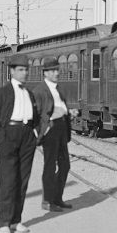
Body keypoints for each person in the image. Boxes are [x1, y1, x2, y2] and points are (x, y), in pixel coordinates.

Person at [0, 53, 40, 233]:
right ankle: (4, 222)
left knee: (23, 180)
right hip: (9, 136)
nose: (25, 73)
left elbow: (36, 118)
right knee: (9, 181)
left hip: (27, 138)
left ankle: (16, 220)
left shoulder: (29, 94)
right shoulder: (1, 93)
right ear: (12, 71)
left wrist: (36, 134)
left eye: (26, 70)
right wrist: (2, 139)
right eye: (21, 70)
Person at [32, 58, 78, 212]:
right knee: (50, 166)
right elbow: (35, 114)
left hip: (62, 129)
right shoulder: (39, 91)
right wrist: (42, 131)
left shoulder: (58, 89)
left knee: (65, 165)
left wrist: (68, 112)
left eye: (57, 70)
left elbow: (60, 108)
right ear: (45, 73)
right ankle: (47, 200)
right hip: (50, 131)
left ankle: (57, 198)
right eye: (52, 70)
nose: (56, 73)